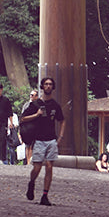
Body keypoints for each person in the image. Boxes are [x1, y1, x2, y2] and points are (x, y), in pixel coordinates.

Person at [22, 76, 65, 206]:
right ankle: (32, 182)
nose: (48, 86)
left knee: (50, 167)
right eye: (46, 84)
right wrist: (36, 114)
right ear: (42, 86)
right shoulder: (35, 104)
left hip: (51, 139)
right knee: (37, 168)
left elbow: (62, 120)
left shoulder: (55, 105)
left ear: (53, 87)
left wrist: (60, 137)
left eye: (50, 84)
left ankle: (45, 195)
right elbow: (22, 119)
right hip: (39, 140)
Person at [20, 90, 39, 165]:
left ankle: (31, 161)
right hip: (26, 127)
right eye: (30, 95)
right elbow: (22, 117)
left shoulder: (38, 105)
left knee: (32, 146)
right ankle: (28, 161)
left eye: (33, 95)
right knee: (27, 146)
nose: (31, 96)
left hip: (35, 127)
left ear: (36, 96)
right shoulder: (26, 105)